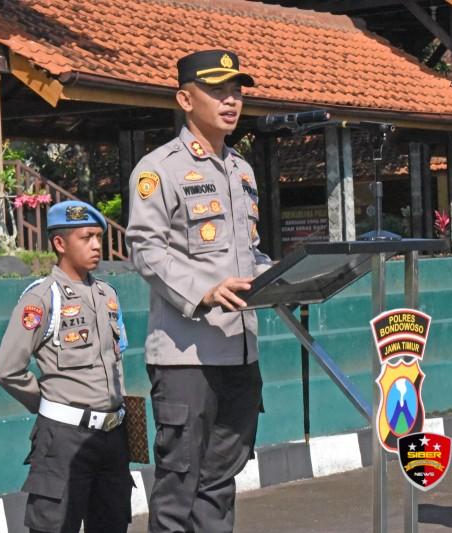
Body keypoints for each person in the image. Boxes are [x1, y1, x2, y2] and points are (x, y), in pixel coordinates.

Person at [125, 49, 272, 533]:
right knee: (178, 491)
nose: (231, 101)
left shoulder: (242, 171)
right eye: (217, 91)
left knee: (220, 486)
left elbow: (249, 253)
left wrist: (284, 278)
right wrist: (204, 292)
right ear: (185, 100)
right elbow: (145, 249)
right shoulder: (159, 170)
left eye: (237, 91)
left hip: (239, 352)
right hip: (186, 356)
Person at [0, 200, 132, 533]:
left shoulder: (107, 295)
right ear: (60, 243)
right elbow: (5, 369)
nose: (96, 245)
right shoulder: (42, 298)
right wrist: (47, 405)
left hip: (112, 436)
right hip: (64, 438)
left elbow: (116, 361)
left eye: (99, 237)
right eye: (86, 237)